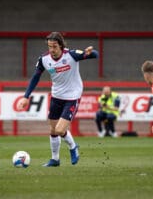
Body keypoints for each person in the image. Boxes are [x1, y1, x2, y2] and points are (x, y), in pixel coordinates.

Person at [17, 32, 98, 167]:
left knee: (60, 130)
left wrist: (91, 52)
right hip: (56, 96)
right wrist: (26, 96)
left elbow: (95, 55)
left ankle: (73, 146)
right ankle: (55, 159)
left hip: (72, 96)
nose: (52, 50)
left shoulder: (71, 55)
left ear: (60, 45)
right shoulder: (44, 59)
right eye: (49, 47)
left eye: (54, 46)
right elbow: (35, 77)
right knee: (53, 131)